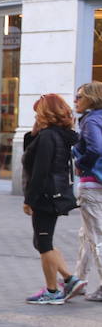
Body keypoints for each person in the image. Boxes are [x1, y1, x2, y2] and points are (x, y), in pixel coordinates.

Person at [22, 93, 82, 304]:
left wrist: (29, 199)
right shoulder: (55, 134)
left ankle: (53, 291)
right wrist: (33, 133)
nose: (36, 116)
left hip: (46, 196)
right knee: (41, 241)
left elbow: (40, 171)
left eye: (38, 112)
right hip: (54, 194)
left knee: (44, 242)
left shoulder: (49, 137)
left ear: (45, 112)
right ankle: (69, 278)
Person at [73, 80, 102, 301]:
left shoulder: (91, 120)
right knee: (86, 235)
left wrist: (81, 163)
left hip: (92, 184)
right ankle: (78, 279)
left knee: (96, 236)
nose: (75, 101)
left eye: (80, 96)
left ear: (92, 98)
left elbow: (95, 148)